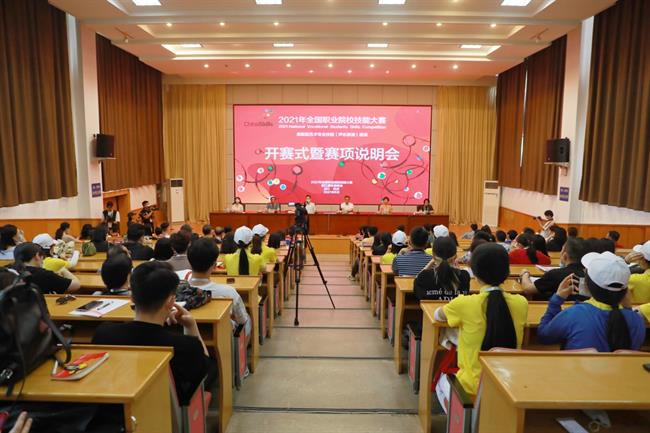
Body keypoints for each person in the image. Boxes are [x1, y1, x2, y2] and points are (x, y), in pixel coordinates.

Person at [92, 261, 213, 405]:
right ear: (171, 301)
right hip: (165, 411)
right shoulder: (185, 346)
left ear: (132, 297)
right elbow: (204, 370)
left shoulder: (103, 333)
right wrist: (191, 326)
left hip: (115, 409)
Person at [434, 243, 528, 398]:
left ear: (475, 273)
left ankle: (462, 413)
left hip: (471, 388)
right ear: (507, 272)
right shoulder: (521, 303)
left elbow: (438, 315)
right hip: (508, 388)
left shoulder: (463, 304)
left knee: (441, 382)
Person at [537, 251, 645, 351]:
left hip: (578, 366)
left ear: (587, 284)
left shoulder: (575, 314)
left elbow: (544, 336)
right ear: (625, 291)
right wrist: (628, 309)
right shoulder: (636, 320)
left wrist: (556, 300)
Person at [178, 238, 251, 344]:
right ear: (214, 265)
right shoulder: (228, 292)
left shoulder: (178, 290)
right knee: (247, 319)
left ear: (189, 262)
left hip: (185, 340)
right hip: (223, 340)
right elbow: (242, 320)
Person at [520, 238, 587, 301]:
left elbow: (528, 289)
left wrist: (525, 274)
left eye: (562, 250)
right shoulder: (588, 275)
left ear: (565, 256)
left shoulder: (555, 274)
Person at [10, 242, 80, 294]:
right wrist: (64, 270)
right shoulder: (44, 275)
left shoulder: (8, 270)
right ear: (37, 256)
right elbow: (76, 285)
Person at [414, 236, 470, 301]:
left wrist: (428, 265)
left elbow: (417, 291)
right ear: (455, 256)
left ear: (433, 256)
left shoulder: (424, 276)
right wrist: (458, 271)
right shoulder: (464, 276)